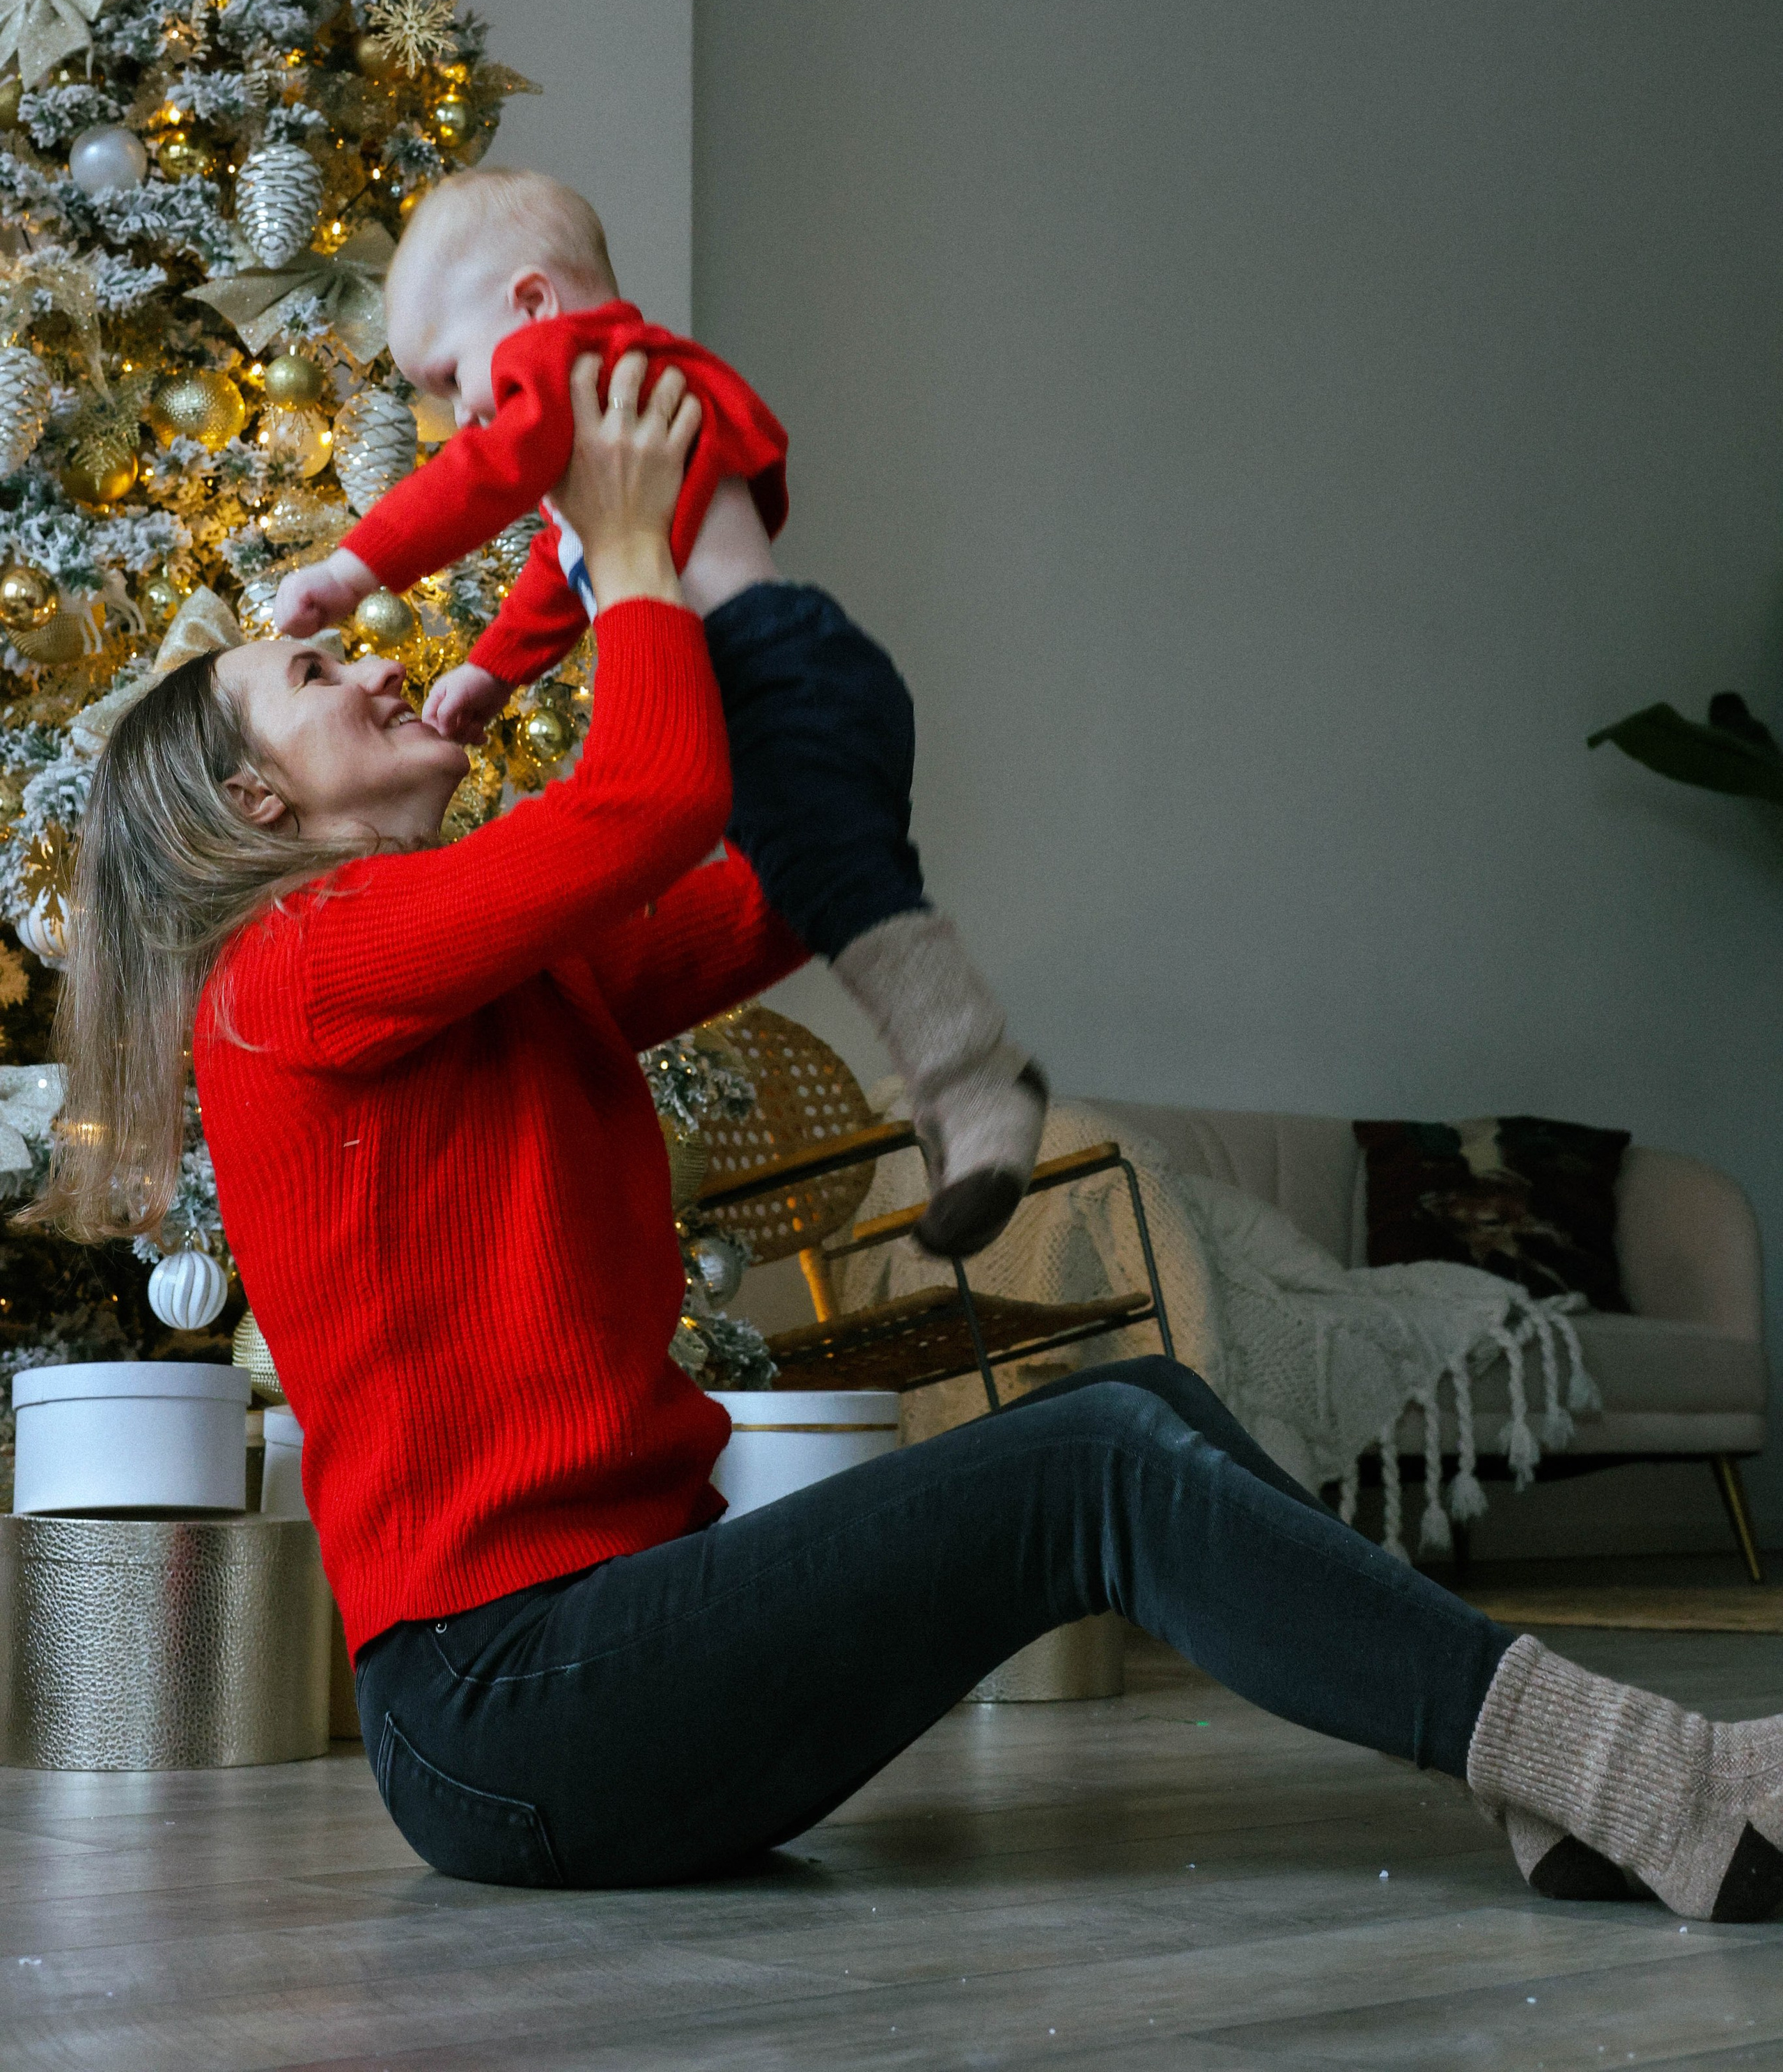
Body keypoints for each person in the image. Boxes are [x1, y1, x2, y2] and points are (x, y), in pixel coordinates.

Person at [29, 355, 1783, 1916]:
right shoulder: (285, 977)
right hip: (512, 1714)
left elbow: (819, 842)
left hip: (621, 1659)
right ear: (255, 803)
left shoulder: (489, 981)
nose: (383, 666)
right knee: (1092, 1454)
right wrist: (621, 554)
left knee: (1140, 1413)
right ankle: (1645, 1780)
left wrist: (727, 583)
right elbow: (647, 800)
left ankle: (1560, 1786)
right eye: (328, 673)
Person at [271, 166, 1045, 1261]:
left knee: (849, 888)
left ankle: (980, 1085)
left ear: (534, 306)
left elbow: (488, 474)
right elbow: (563, 558)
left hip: (767, 667)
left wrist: (356, 570)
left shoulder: (579, 362)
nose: (460, 418)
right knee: (833, 891)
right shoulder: (606, 412)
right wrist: (495, 671)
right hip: (784, 662)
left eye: (451, 375)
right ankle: (949, 1096)